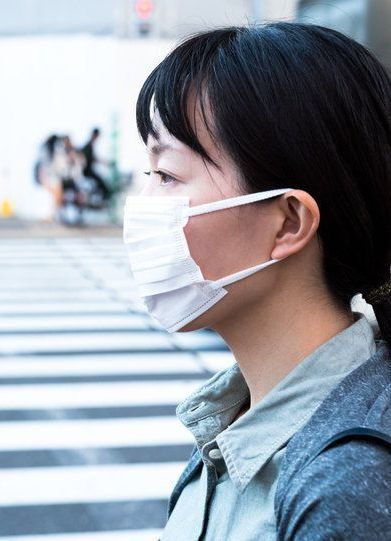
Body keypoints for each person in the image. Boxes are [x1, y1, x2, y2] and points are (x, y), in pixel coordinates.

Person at [124, 22, 390, 540]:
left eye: (168, 175)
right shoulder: (234, 420)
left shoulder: (348, 485)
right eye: (149, 175)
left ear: (288, 223)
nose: (143, 207)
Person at [80, 127, 110, 203]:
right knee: (102, 184)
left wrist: (104, 162)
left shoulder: (90, 145)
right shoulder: (88, 146)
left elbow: (93, 159)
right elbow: (88, 159)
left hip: (88, 171)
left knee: (101, 183)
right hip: (87, 171)